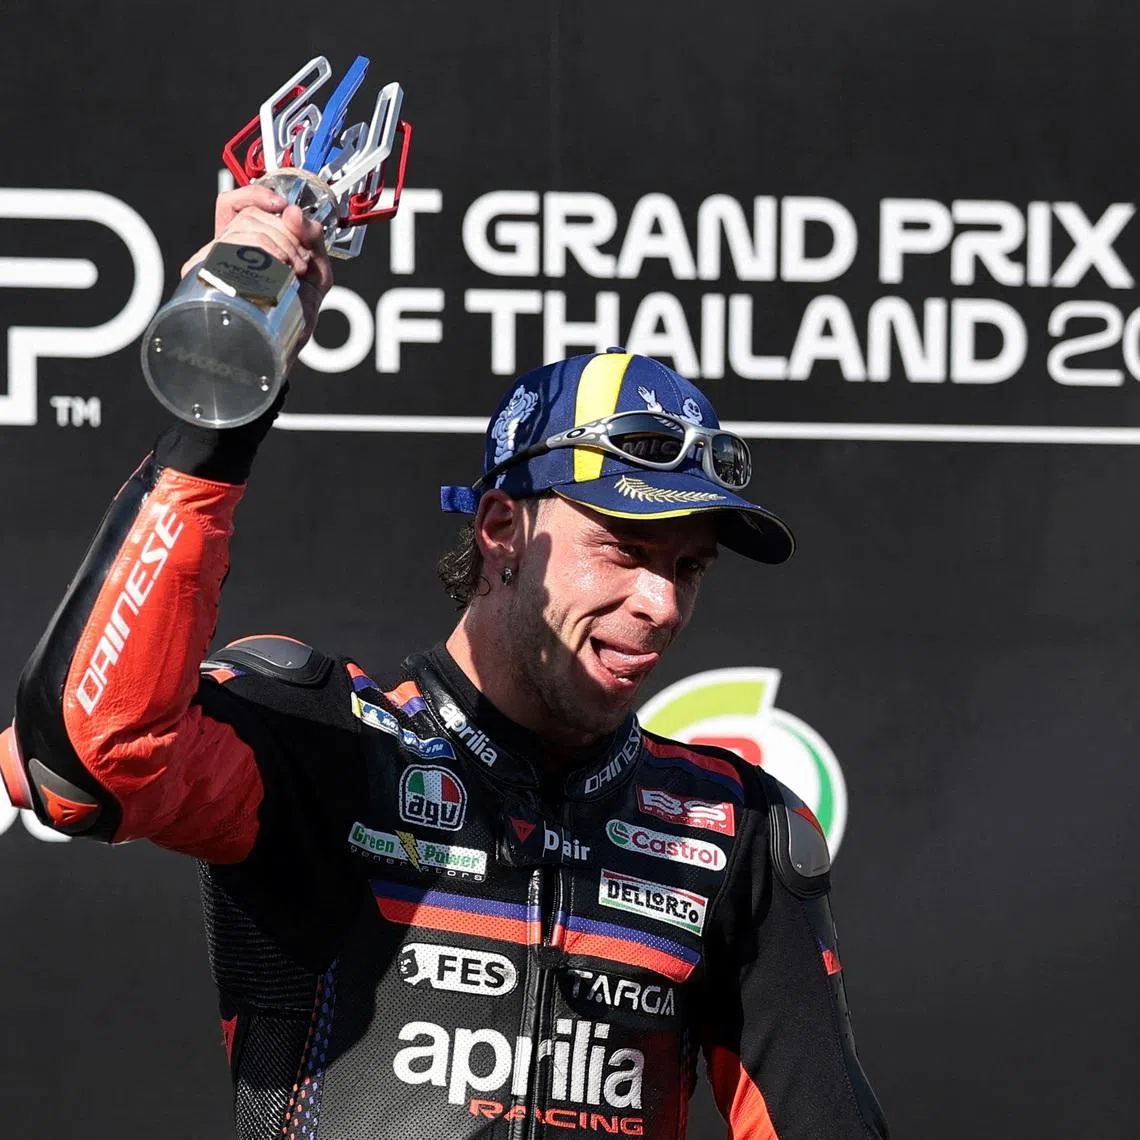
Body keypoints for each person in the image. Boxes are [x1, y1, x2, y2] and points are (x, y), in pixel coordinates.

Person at [1, 186, 890, 1139]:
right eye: (626, 552)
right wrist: (220, 406)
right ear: (503, 530)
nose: (662, 603)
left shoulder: (734, 833)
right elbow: (81, 760)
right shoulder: (328, 750)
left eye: (689, 568)